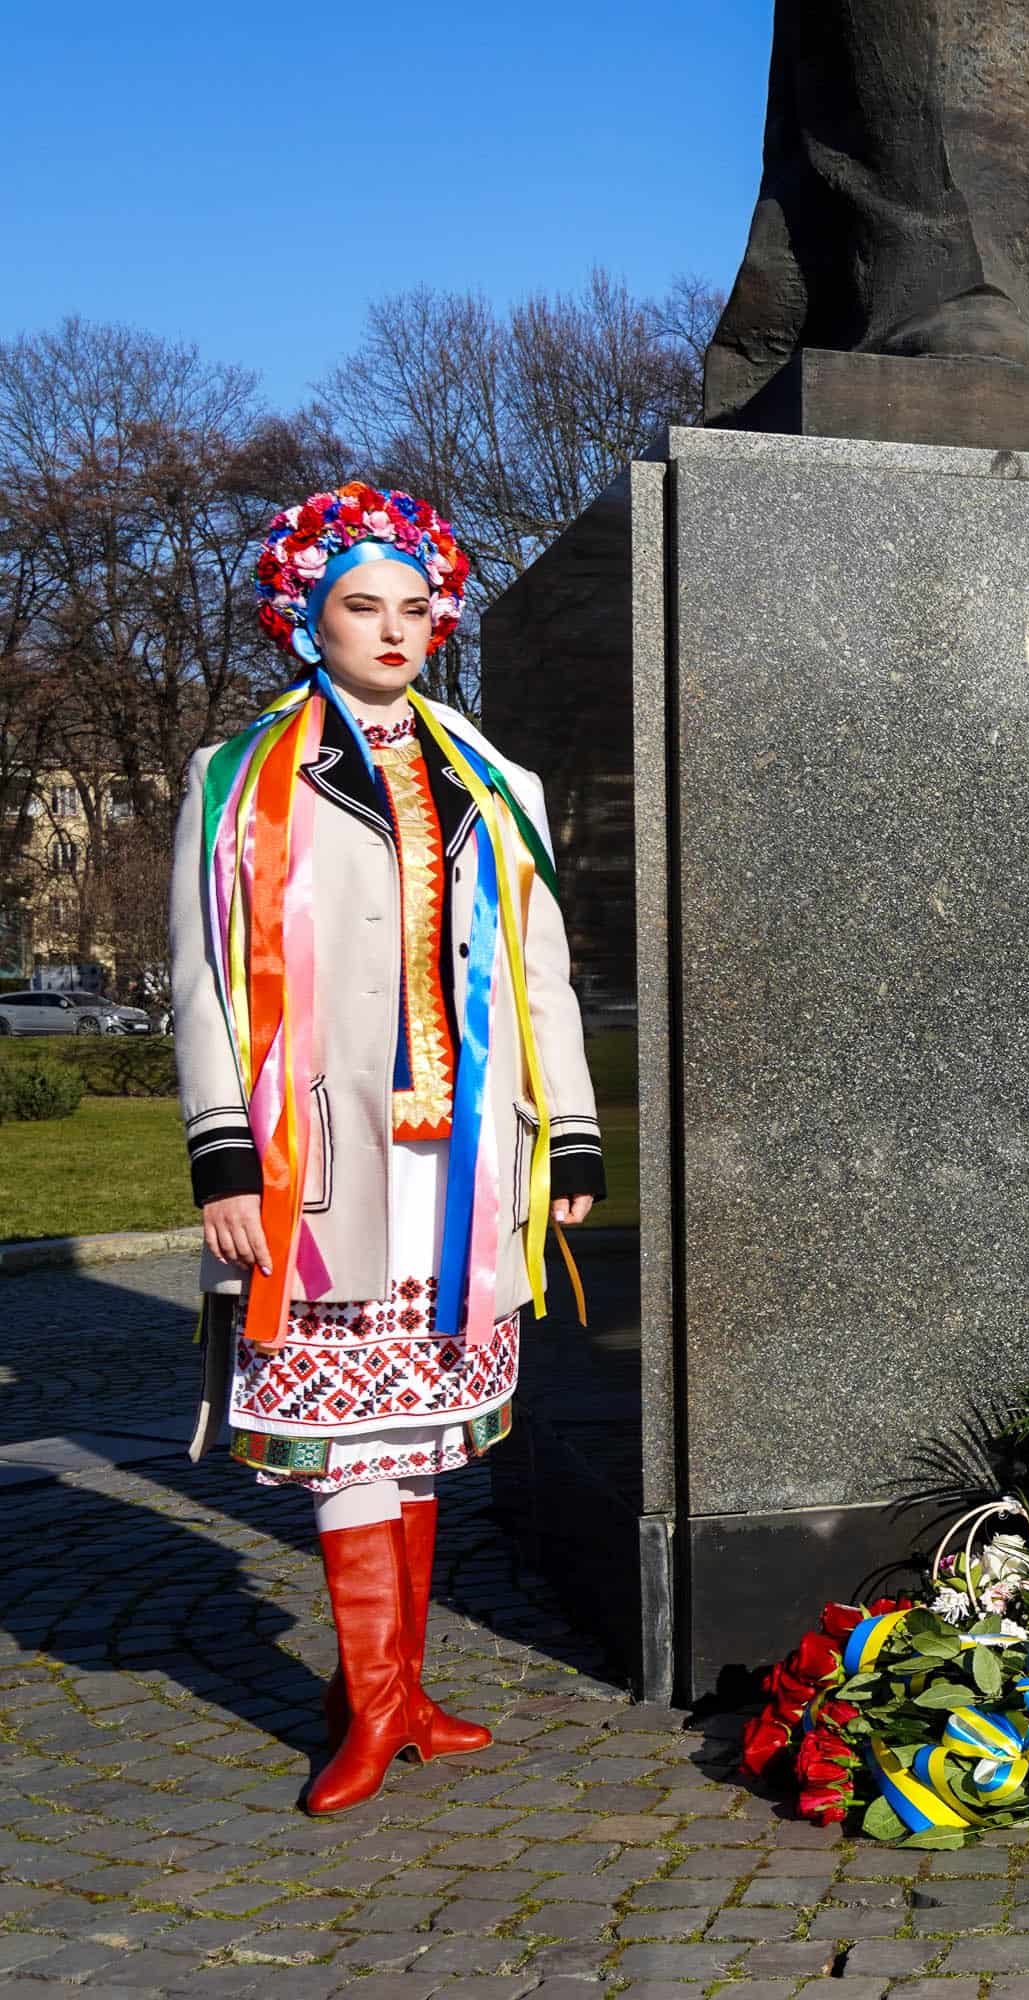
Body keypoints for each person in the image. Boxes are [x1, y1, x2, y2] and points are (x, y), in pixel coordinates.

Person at [170, 484, 602, 1816]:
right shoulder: (239, 778)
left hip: (459, 1167)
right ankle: (367, 1704)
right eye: (365, 604)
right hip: (321, 1153)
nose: (397, 628)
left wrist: (569, 1133)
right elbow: (202, 979)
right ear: (309, 616)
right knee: (351, 1435)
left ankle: (405, 1690)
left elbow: (541, 975)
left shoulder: (495, 779)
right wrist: (224, 1160)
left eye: (417, 606)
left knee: (415, 1430)